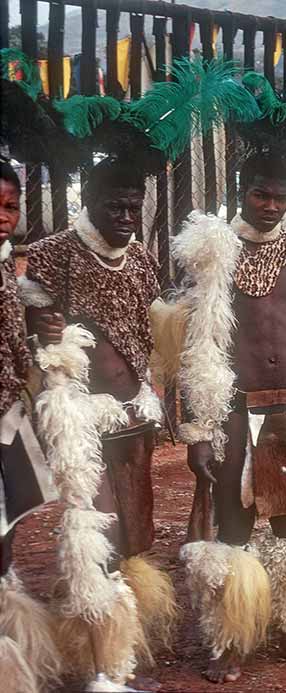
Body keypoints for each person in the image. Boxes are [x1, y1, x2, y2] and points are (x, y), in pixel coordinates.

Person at [175, 153, 286, 683]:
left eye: (279, 197)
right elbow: (201, 343)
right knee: (235, 517)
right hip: (235, 407)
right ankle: (230, 638)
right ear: (240, 193)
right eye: (260, 196)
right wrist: (200, 430)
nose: (270, 207)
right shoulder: (216, 250)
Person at [21, 157, 174, 684]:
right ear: (88, 198)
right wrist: (43, 329)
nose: (127, 216)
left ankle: (116, 647)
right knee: (96, 539)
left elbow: (149, 336)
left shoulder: (141, 259)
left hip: (134, 415)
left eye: (135, 206)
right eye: (115, 205)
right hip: (79, 420)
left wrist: (155, 394)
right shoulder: (52, 255)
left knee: (132, 537)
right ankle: (107, 673)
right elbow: (28, 340)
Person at [0, 159, 62, 693]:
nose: (4, 216)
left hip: (6, 415)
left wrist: (37, 326)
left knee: (6, 529)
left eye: (11, 206)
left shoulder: (7, 269)